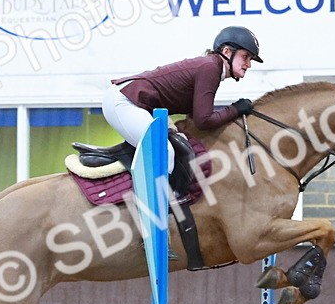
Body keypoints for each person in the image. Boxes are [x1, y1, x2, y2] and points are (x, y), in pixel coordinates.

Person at [103, 26, 261, 197]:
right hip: (124, 102)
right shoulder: (210, 68)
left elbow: (196, 118)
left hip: (133, 102)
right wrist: (235, 109)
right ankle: (156, 213)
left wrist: (232, 111)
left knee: (180, 145)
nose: (249, 64)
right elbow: (204, 121)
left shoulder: (211, 66)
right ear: (227, 52)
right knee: (165, 152)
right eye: (245, 57)